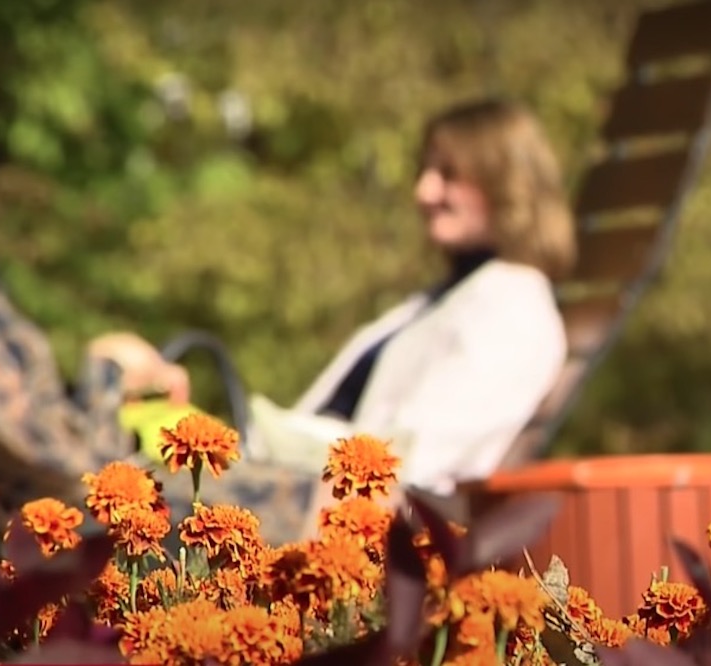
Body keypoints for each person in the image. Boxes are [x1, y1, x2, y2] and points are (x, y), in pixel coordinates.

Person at [0, 64, 570, 545]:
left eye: (448, 173)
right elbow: (68, 469)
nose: (422, 190)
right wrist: (108, 374)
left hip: (155, 516)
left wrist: (116, 380)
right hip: (101, 532)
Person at [243, 98, 576, 528]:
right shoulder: (438, 300)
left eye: (448, 174)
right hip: (295, 496)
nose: (424, 192)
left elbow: (416, 458)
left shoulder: (516, 312)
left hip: (356, 527)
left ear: (505, 183)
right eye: (425, 171)